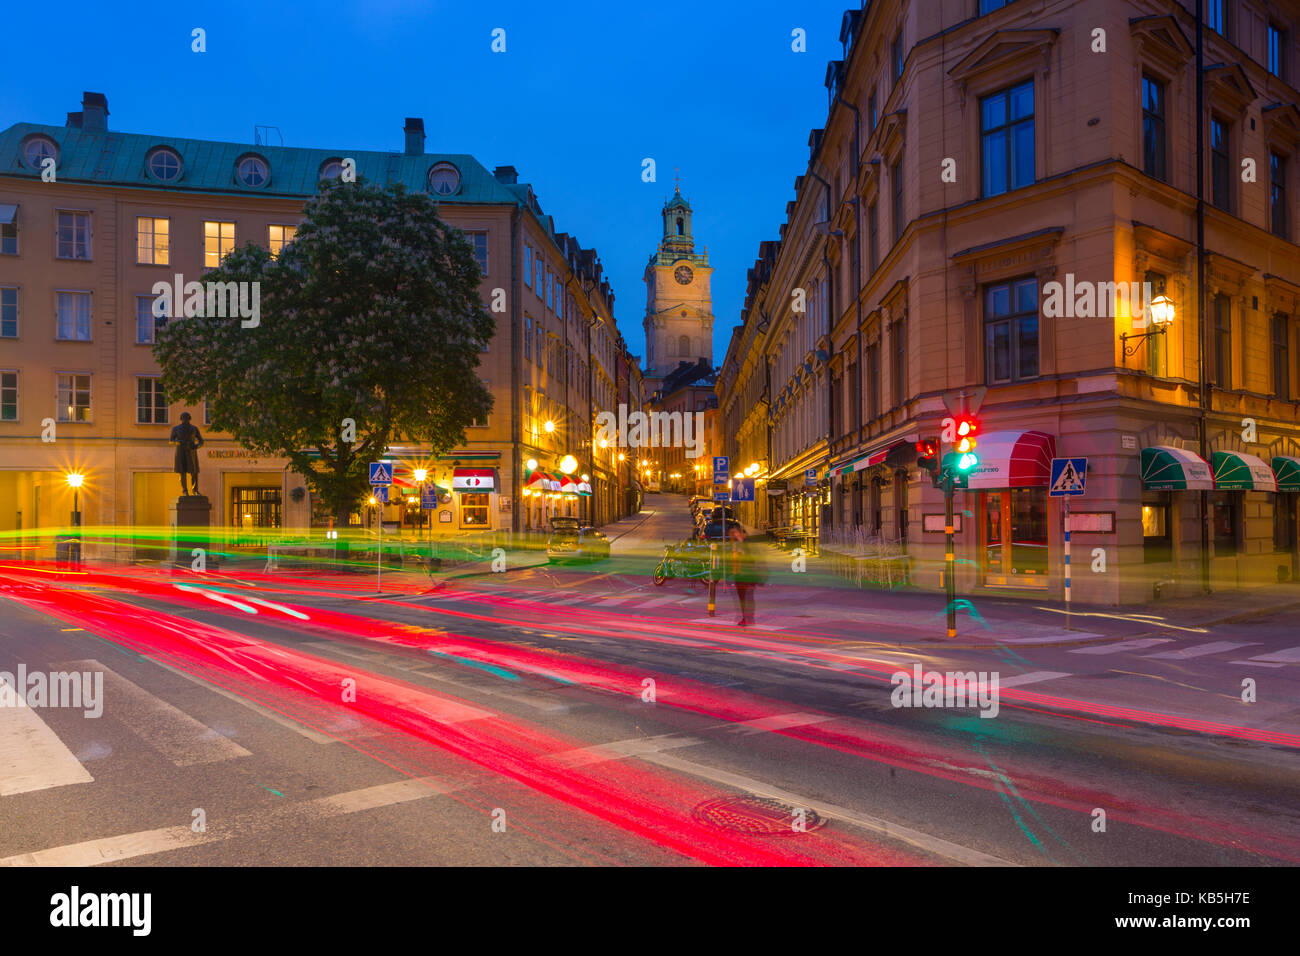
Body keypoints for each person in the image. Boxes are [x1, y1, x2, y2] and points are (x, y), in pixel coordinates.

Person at [725, 524, 764, 626]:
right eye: (732, 534)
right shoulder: (736, 544)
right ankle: (746, 618)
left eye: (735, 533)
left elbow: (754, 558)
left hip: (749, 574)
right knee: (743, 598)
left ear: (740, 532)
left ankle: (749, 619)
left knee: (748, 597)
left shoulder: (748, 543)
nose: (733, 536)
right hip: (739, 575)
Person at [169, 411, 204, 496]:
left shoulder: (194, 428)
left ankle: (195, 490)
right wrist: (176, 442)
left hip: (191, 451)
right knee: (182, 472)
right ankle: (185, 491)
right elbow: (171, 441)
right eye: (184, 418)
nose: (185, 419)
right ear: (181, 419)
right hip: (180, 451)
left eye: (187, 418)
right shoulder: (176, 429)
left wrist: (197, 446)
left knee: (194, 472)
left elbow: (201, 441)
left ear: (189, 419)